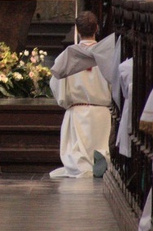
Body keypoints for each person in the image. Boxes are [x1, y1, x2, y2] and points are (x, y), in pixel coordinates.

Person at [48, 11, 113, 178]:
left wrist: (64, 101)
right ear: (97, 28)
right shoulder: (107, 54)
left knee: (77, 156)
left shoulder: (67, 56)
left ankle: (83, 166)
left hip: (77, 112)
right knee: (102, 148)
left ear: (77, 30)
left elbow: (55, 83)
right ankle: (102, 160)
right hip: (102, 113)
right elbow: (115, 81)